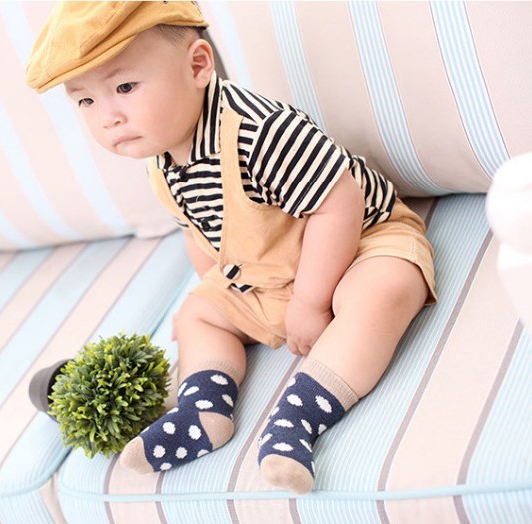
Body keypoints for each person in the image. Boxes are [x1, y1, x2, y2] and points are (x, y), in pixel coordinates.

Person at [26, 1, 437, 494]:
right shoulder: (163, 159)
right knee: (197, 314)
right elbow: (198, 232)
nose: (108, 117)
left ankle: (298, 418)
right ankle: (203, 410)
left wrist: (311, 302)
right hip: (269, 273)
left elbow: (338, 202)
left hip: (358, 242)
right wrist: (219, 291)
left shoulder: (260, 130)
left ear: (198, 66)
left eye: (125, 87)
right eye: (86, 101)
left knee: (387, 286)